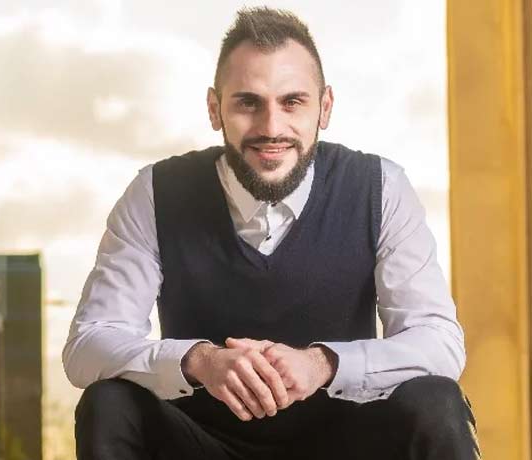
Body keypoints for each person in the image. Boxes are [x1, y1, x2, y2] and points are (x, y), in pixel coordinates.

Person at [62, 6, 480, 460]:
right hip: (201, 445)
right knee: (108, 405)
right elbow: (88, 346)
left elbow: (438, 343)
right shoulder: (154, 193)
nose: (271, 128)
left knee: (436, 401)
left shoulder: (381, 188)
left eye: (292, 101)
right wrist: (200, 360)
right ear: (213, 107)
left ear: (325, 107)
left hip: (344, 444)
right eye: (248, 102)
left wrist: (323, 364)